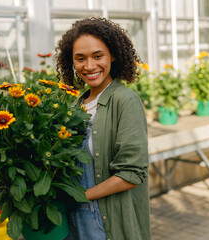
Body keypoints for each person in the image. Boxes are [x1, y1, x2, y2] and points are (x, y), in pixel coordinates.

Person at [55, 17, 151, 240]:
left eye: (98, 56)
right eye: (80, 59)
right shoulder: (75, 105)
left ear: (113, 55)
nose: (89, 66)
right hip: (76, 223)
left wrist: (79, 196)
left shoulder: (125, 101)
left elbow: (131, 174)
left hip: (108, 225)